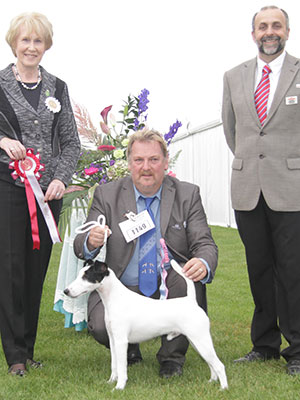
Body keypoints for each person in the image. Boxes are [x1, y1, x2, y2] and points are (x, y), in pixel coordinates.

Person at [73, 128, 218, 379]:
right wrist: (91, 240)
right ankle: (129, 348)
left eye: (154, 159)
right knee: (99, 325)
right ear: (129, 163)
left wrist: (203, 262)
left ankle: (172, 358)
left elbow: (204, 242)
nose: (146, 167)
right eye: (138, 160)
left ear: (165, 161)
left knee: (186, 280)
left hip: (167, 281)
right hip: (122, 285)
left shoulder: (187, 194)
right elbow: (80, 244)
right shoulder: (107, 195)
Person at [0, 12, 80, 376]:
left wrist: (61, 179)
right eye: (25, 40)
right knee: (10, 272)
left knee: (35, 273)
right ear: (14, 43)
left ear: (46, 45)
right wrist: (3, 140)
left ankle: (28, 350)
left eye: (38, 41)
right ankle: (14, 355)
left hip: (48, 195)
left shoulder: (58, 88)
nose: (31, 47)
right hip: (9, 190)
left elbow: (71, 143)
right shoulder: (0, 84)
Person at [222, 5, 300, 375]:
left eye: (277, 26)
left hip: (291, 188)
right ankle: (264, 343)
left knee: (292, 270)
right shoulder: (234, 76)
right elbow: (231, 130)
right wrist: (252, 160)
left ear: (287, 31)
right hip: (248, 186)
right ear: (252, 33)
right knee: (259, 269)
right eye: (263, 27)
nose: (270, 32)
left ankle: (297, 348)